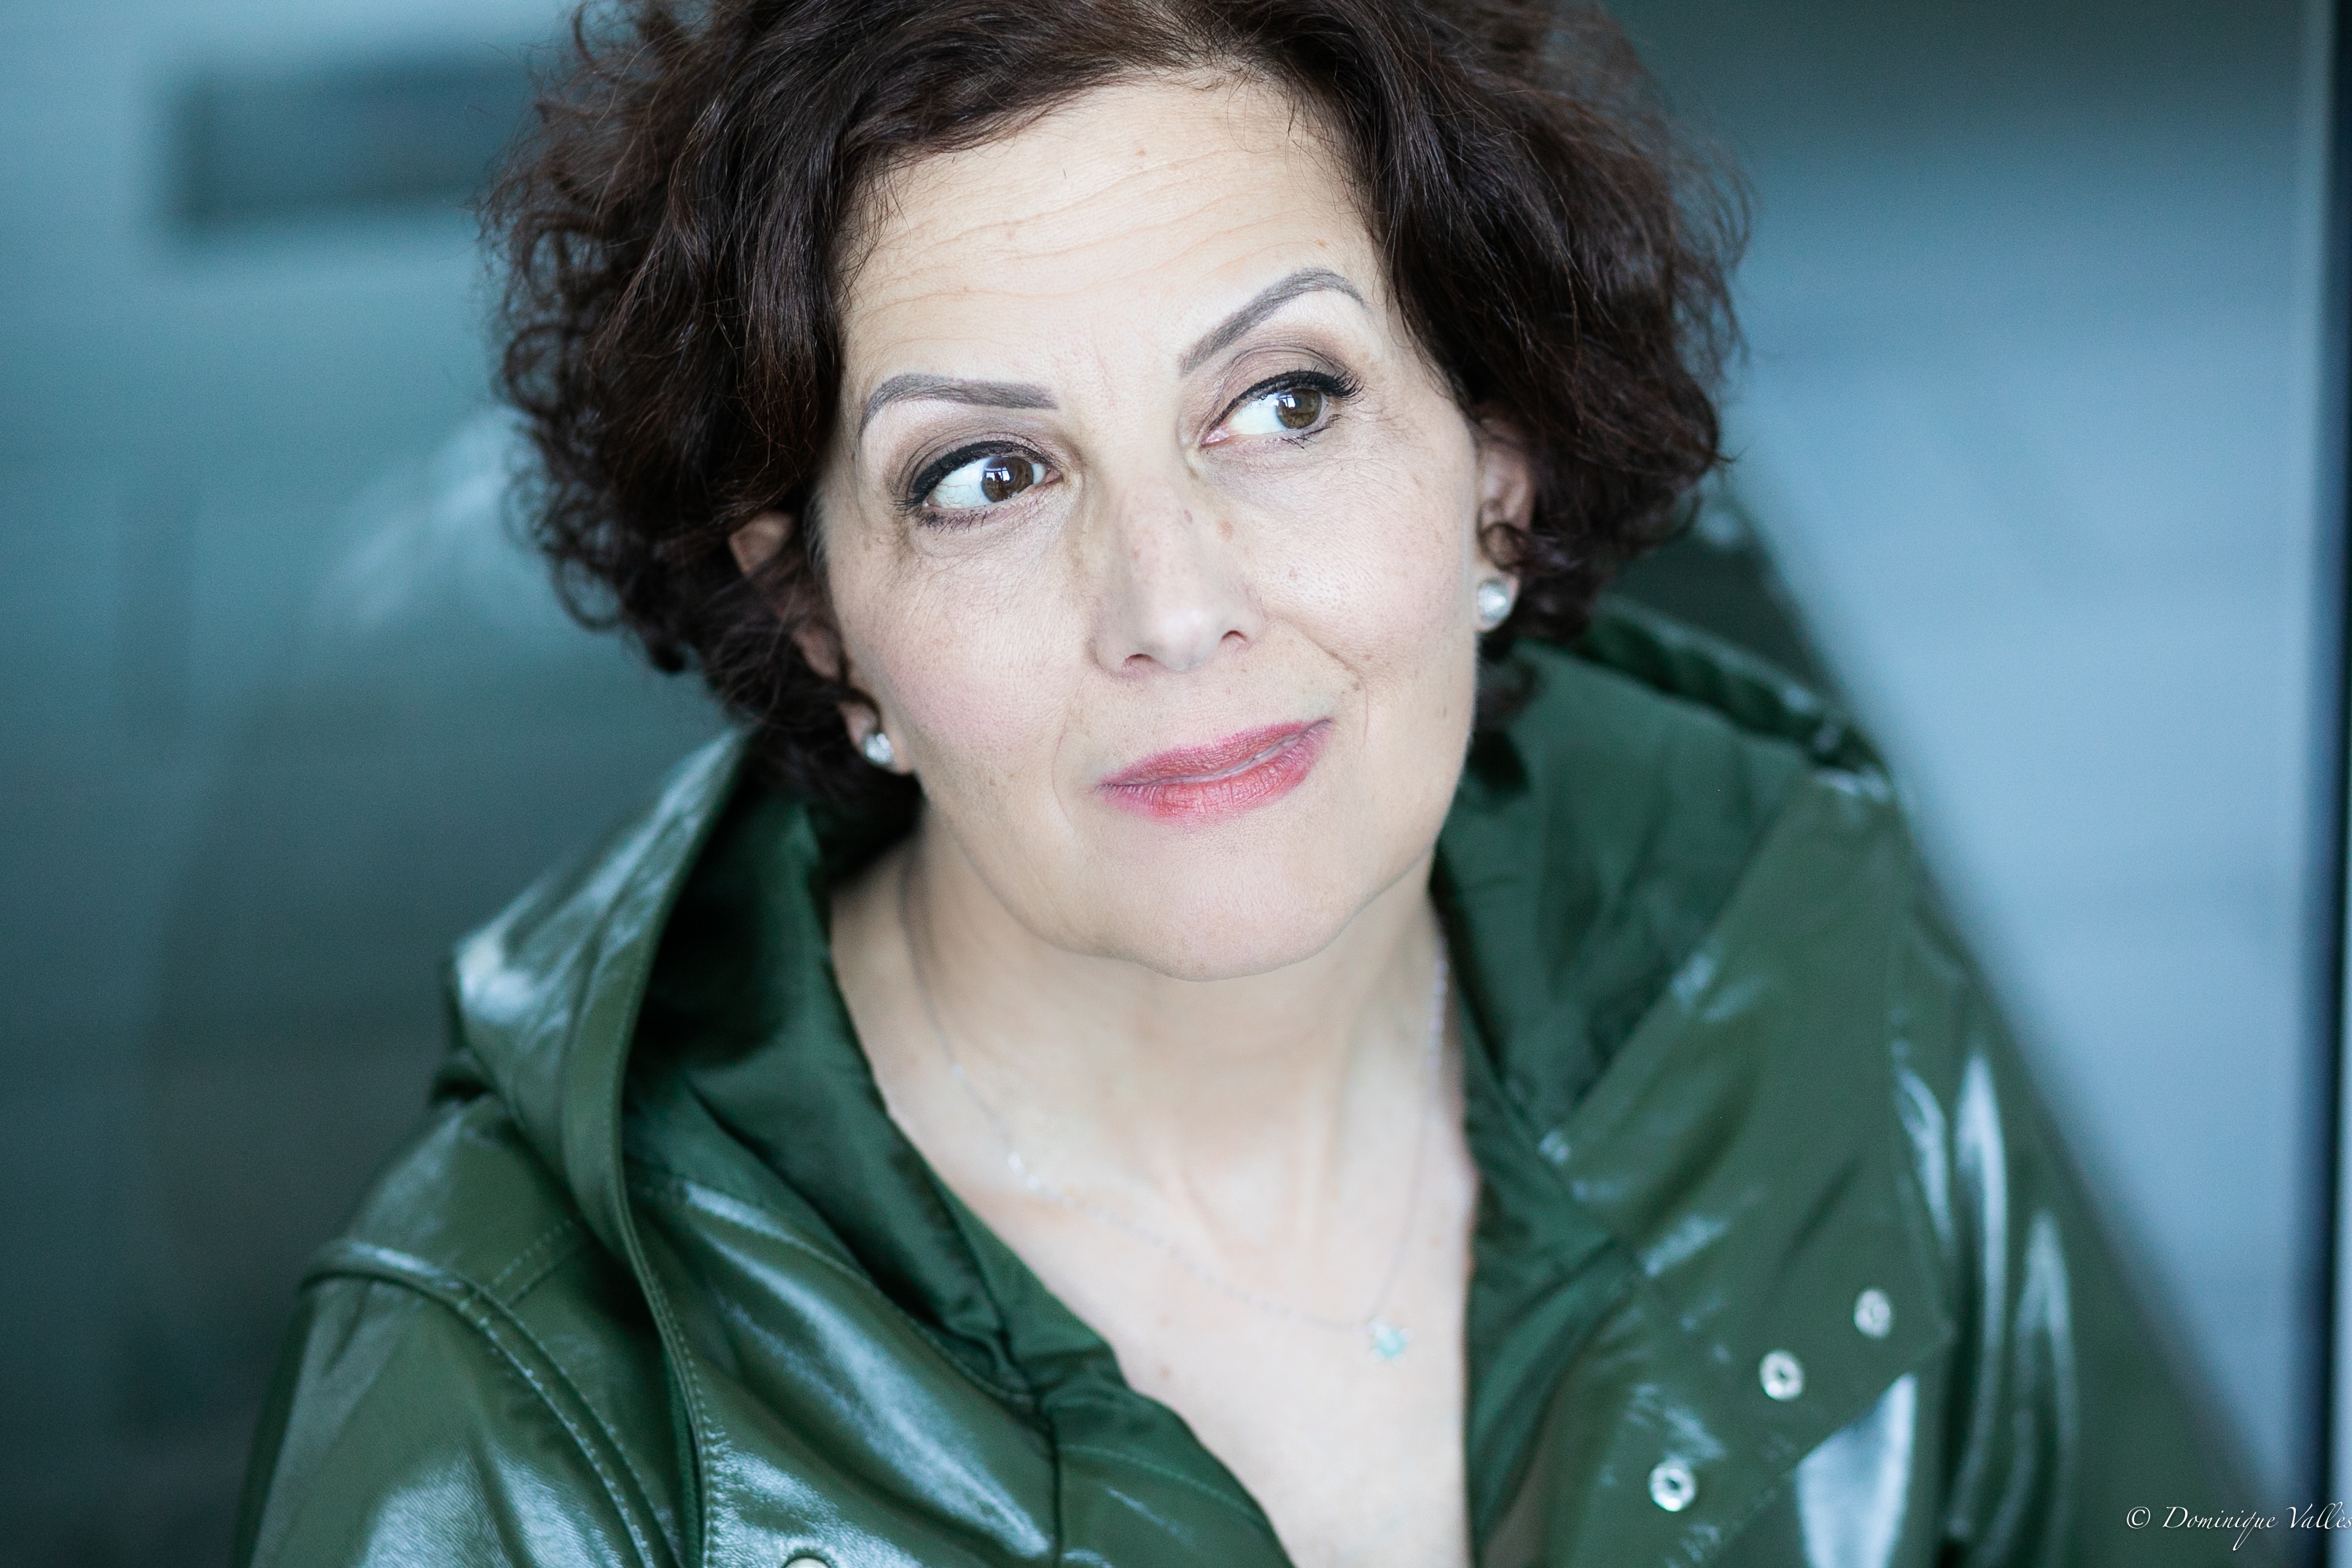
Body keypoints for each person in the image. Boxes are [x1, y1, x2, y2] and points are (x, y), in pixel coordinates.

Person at [234, 1, 2254, 1563]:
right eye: (987, 476)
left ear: (1493, 465)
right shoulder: (511, 1410)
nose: (1173, 605)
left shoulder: (1792, 934)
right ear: (823, 617)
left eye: (1284, 402)